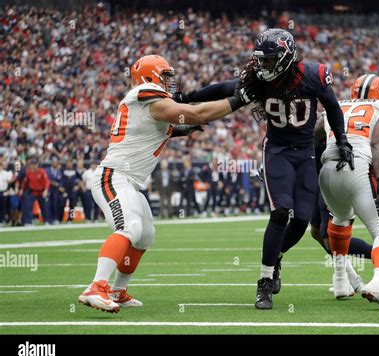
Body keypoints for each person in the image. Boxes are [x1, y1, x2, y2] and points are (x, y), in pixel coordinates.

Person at [176, 29, 354, 310]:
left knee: (302, 220)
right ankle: (264, 283)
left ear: (285, 58)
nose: (264, 66)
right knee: (281, 211)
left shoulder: (312, 75)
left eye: (270, 60)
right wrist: (188, 97)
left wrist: (342, 139)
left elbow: (333, 107)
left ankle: (277, 256)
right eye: (262, 60)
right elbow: (226, 87)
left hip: (306, 153)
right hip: (277, 151)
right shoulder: (259, 80)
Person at [78, 54, 250, 313]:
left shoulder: (150, 105)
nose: (170, 81)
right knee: (130, 227)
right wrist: (238, 100)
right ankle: (96, 287)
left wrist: (187, 127)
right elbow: (194, 113)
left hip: (130, 182)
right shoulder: (146, 95)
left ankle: (117, 290)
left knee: (145, 236)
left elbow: (174, 126)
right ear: (150, 76)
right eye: (166, 76)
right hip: (113, 176)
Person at [318, 74, 379, 310]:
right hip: (358, 167)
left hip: (327, 171)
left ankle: (340, 280)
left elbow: (314, 134)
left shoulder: (337, 105)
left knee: (339, 219)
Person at [19, 157, 49, 226]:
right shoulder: (29, 172)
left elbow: (47, 181)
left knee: (44, 207)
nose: (32, 166)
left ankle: (46, 221)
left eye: (33, 164)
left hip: (41, 192)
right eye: (31, 164)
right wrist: (21, 189)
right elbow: (25, 182)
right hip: (32, 192)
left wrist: (46, 190)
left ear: (37, 165)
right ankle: (28, 222)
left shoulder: (42, 171)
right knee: (28, 206)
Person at [45, 156, 63, 224]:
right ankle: (48, 220)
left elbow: (61, 181)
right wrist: (54, 183)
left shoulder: (59, 171)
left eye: (56, 162)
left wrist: (59, 186)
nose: (55, 163)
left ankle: (55, 219)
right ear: (52, 163)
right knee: (47, 205)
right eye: (54, 162)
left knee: (55, 205)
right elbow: (46, 179)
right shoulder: (47, 170)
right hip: (48, 190)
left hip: (56, 191)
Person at [0, 159, 15, 226]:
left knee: (4, 207)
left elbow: (10, 181)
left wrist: (14, 177)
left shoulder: (6, 173)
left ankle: (3, 220)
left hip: (3, 191)